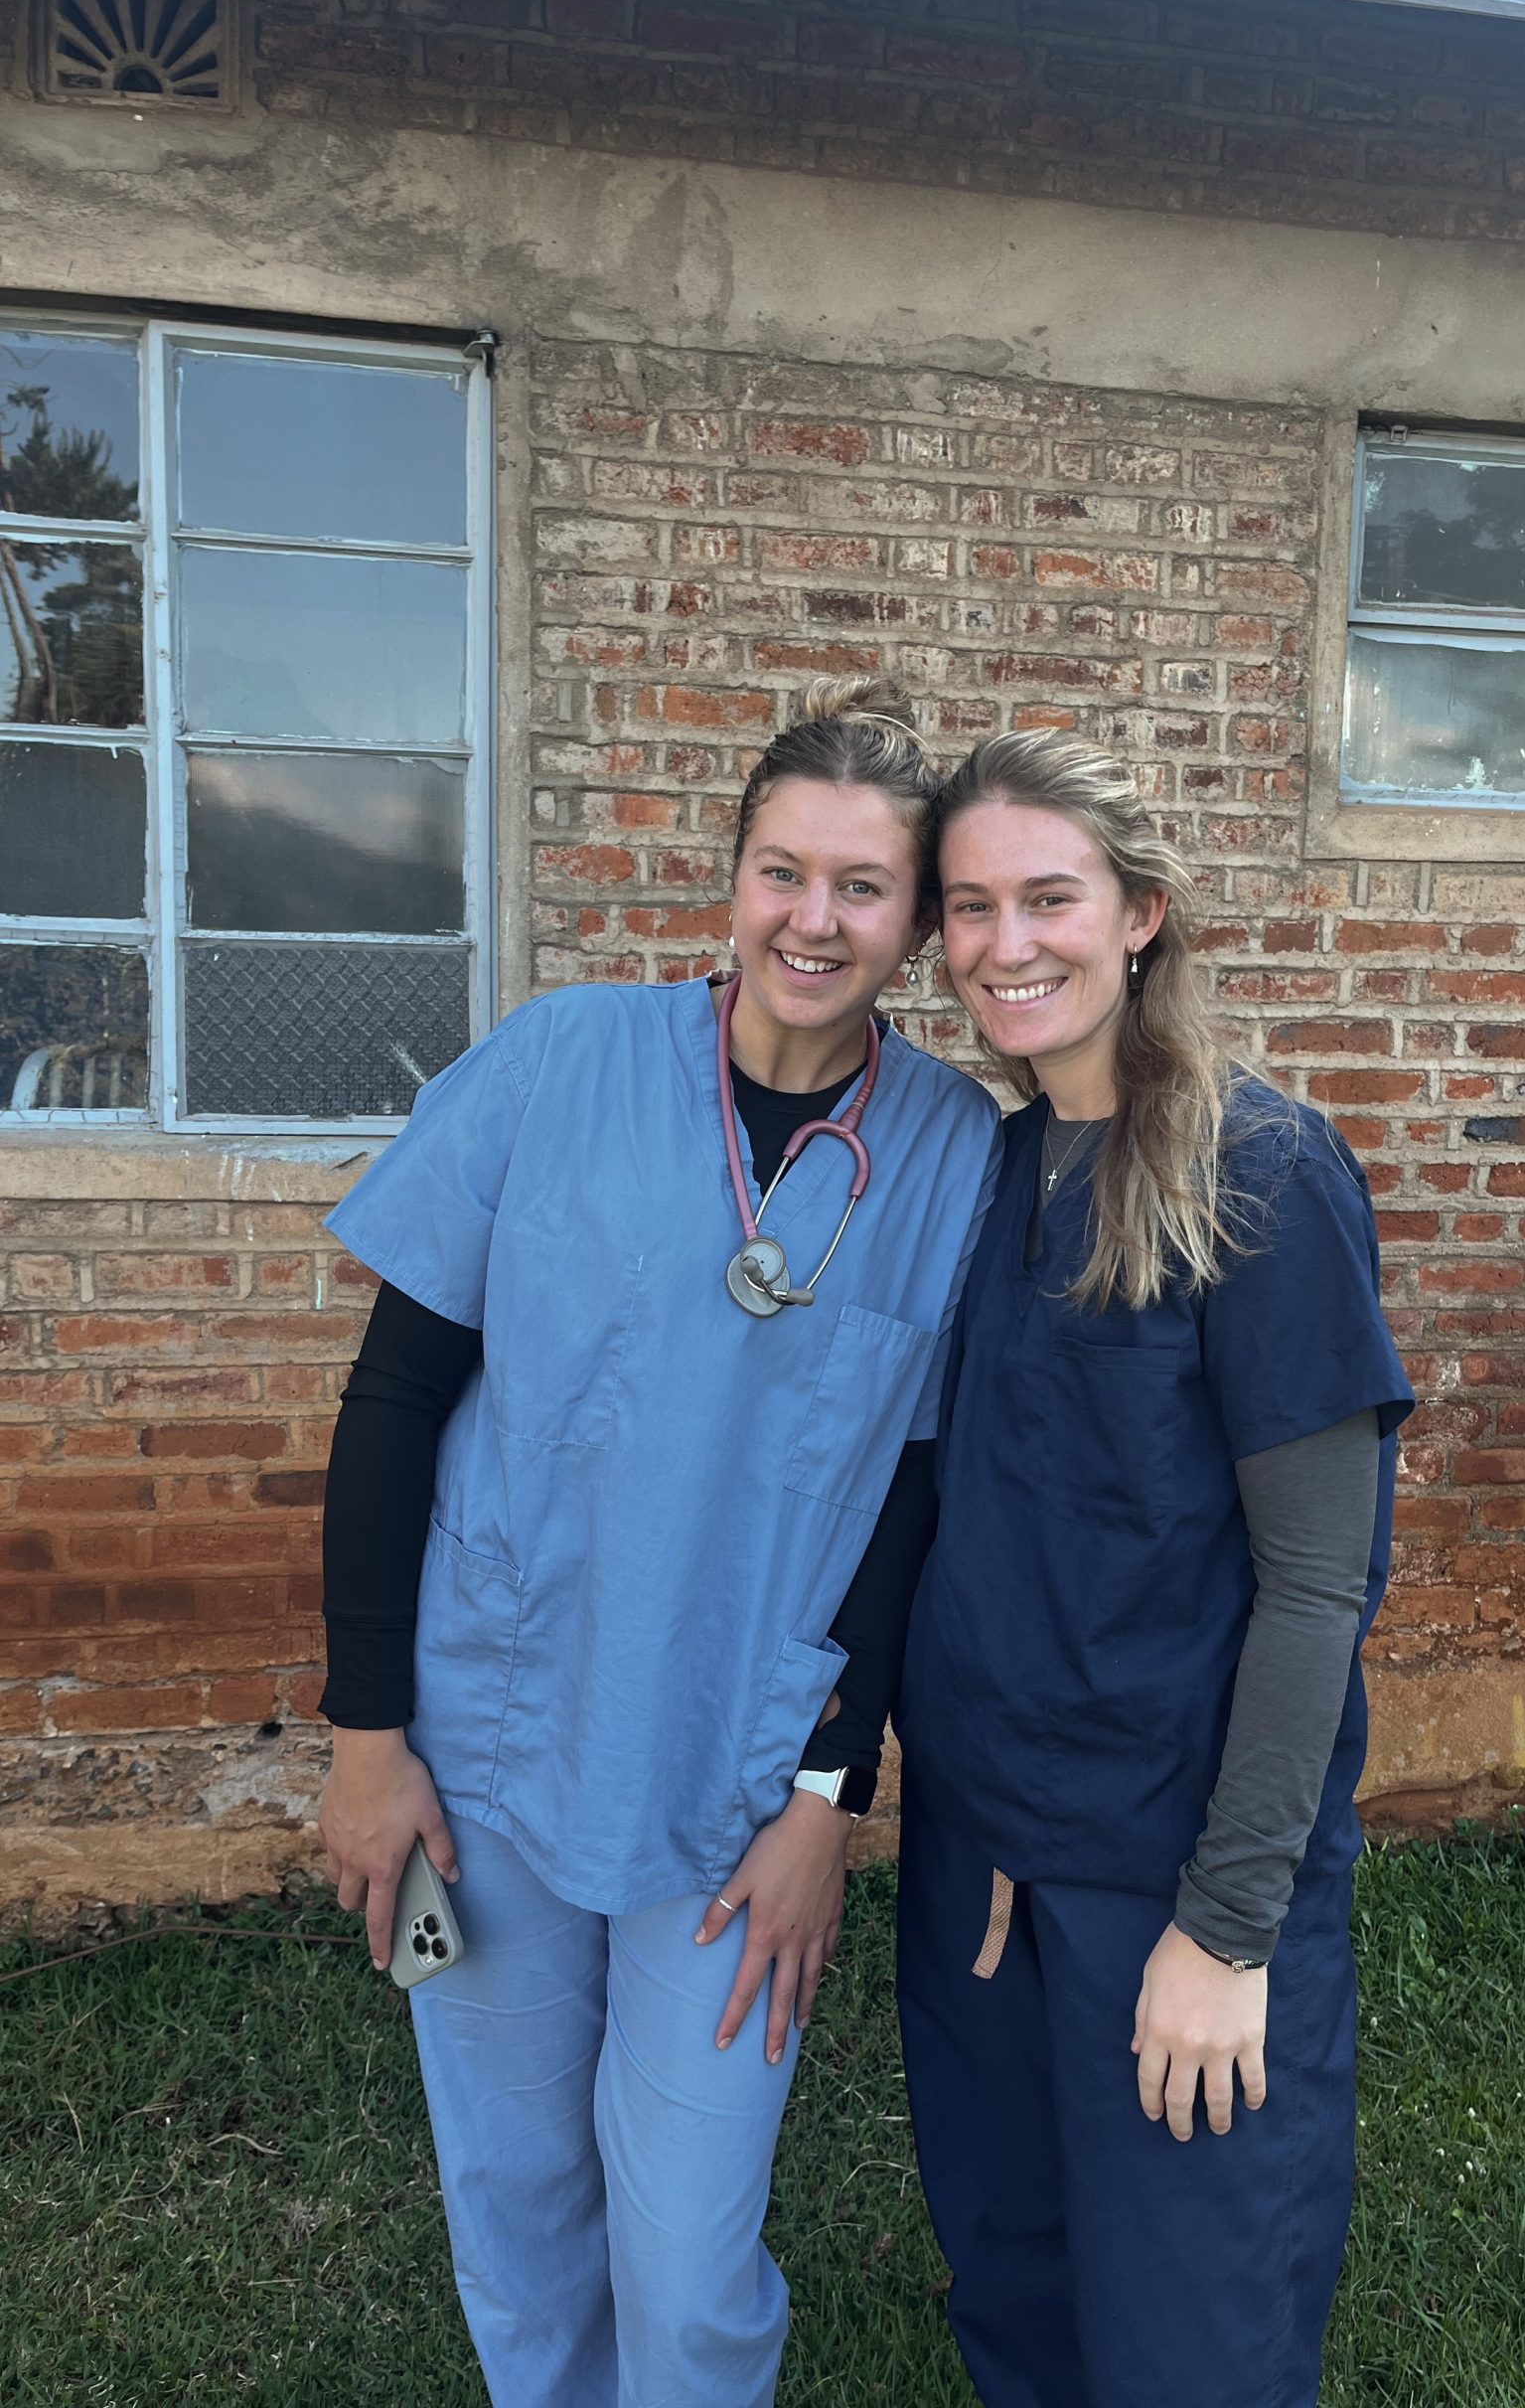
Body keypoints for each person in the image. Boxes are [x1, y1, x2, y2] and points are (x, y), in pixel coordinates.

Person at [315, 678, 1000, 2408]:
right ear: (733, 875)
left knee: (688, 2243)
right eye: (785, 870)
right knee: (516, 2187)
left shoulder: (951, 1160)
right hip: (480, 1745)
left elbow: (911, 1508)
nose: (814, 920)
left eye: (864, 887)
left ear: (916, 927)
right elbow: (394, 1406)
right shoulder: (558, 1061)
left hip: (737, 1773)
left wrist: (828, 1803)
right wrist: (367, 1738)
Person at [893, 728, 1415, 2408]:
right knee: (1021, 2298)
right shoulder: (982, 1169)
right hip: (984, 1874)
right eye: (970, 908)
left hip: (1171, 1882)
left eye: (1051, 897)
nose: (1007, 944)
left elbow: (1320, 1588)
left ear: (1142, 916)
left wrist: (1229, 1930)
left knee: (1191, 2342)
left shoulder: (1258, 1177)